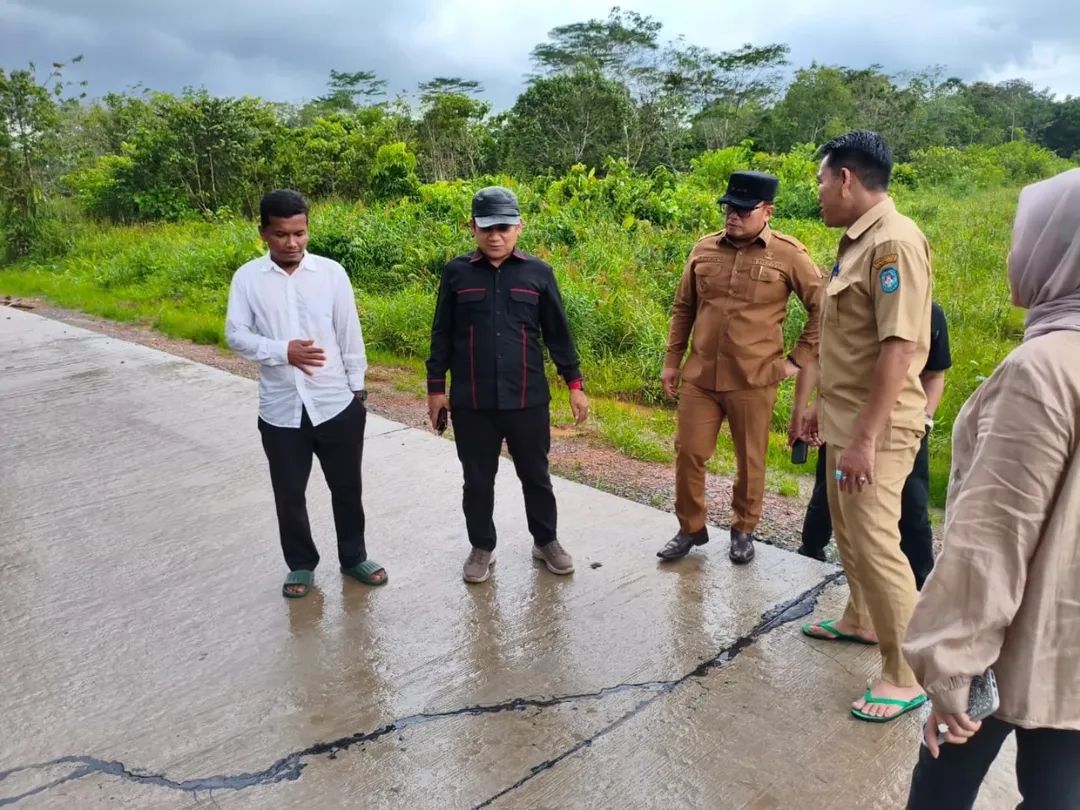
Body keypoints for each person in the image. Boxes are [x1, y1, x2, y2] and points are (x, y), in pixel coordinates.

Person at [903, 168, 1080, 809]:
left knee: (942, 787)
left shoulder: (1044, 370)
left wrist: (951, 674)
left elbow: (992, 541)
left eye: (1021, 238)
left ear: (1055, 250)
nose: (1012, 254)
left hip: (1017, 642)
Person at [799, 131, 931, 722]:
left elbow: (900, 349)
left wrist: (867, 438)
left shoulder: (893, 244)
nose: (820, 193)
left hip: (874, 428)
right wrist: (818, 407)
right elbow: (846, 341)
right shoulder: (857, 242)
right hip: (844, 418)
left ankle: (907, 674)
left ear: (847, 178)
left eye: (823, 181)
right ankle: (861, 619)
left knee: (877, 541)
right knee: (848, 530)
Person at [657, 170, 824, 565]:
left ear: (768, 211)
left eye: (744, 210)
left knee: (750, 460)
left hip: (754, 379)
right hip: (700, 376)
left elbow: (825, 308)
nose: (733, 216)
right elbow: (684, 308)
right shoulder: (703, 249)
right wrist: (671, 361)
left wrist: (796, 361)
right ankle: (690, 527)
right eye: (730, 208)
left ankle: (743, 529)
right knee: (689, 452)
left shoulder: (789, 255)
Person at [225, 189, 386, 598]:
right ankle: (300, 564)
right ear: (263, 233)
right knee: (289, 494)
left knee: (347, 489)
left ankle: (353, 558)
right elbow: (235, 335)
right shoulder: (248, 279)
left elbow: (349, 333)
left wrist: (358, 392)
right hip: (281, 411)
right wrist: (283, 351)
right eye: (281, 234)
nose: (292, 243)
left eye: (299, 233)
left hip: (335, 404)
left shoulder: (331, 274)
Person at [426, 186, 588, 584]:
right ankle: (482, 547)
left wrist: (574, 383)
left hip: (527, 398)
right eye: (486, 228)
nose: (495, 236)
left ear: (519, 227)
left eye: (503, 227)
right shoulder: (456, 273)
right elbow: (441, 334)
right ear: (472, 228)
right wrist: (435, 390)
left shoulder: (538, 273)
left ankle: (545, 541)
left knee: (536, 475)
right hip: (472, 401)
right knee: (477, 479)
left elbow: (558, 334)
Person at [798, 302, 951, 589]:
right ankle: (810, 550)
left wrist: (925, 420)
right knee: (830, 493)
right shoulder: (857, 311)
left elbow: (934, 375)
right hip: (846, 423)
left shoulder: (928, 314)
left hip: (903, 429)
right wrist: (818, 406)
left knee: (912, 505)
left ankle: (920, 582)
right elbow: (833, 367)